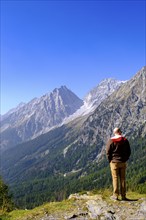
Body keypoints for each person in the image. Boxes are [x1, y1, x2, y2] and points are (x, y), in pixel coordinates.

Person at [106, 127, 131, 201]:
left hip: (114, 162)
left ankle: (115, 195)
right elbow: (129, 151)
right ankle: (123, 196)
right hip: (122, 162)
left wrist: (110, 160)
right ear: (120, 132)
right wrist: (125, 159)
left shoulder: (111, 140)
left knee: (115, 178)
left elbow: (108, 152)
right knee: (123, 179)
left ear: (114, 132)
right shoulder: (125, 140)